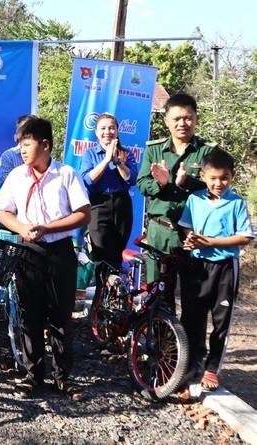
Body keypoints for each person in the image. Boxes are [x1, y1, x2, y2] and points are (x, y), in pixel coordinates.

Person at [0, 117, 91, 400]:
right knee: (29, 314)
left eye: (27, 144)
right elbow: (2, 211)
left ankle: (63, 377)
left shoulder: (66, 174)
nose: (22, 151)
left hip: (60, 251)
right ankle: (32, 375)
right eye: (20, 146)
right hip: (27, 251)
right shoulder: (17, 176)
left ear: (45, 145)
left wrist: (49, 228)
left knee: (61, 315)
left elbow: (83, 213)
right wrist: (22, 228)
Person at [178, 149, 253, 391]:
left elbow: (244, 237)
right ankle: (188, 364)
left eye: (224, 178)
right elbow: (187, 229)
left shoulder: (237, 203)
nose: (218, 183)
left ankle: (212, 368)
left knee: (221, 320)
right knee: (191, 316)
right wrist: (190, 240)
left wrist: (210, 242)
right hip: (198, 266)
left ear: (233, 176)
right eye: (212, 178)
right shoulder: (195, 199)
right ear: (203, 176)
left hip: (225, 269)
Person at [136, 93, 219, 314]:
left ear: (196, 119)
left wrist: (188, 182)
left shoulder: (208, 152)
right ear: (166, 121)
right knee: (159, 295)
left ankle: (193, 348)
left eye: (188, 117)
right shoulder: (154, 149)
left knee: (195, 295)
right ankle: (163, 348)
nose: (182, 123)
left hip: (193, 235)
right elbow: (142, 184)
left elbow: (218, 187)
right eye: (176, 118)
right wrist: (161, 185)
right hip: (159, 232)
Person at [79, 113, 138, 292]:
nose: (108, 132)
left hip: (122, 204)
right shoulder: (90, 154)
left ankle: (114, 302)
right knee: (101, 254)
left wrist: (117, 161)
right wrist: (105, 160)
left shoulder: (125, 153)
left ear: (117, 131)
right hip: (98, 205)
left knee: (117, 255)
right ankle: (99, 304)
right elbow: (87, 181)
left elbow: (132, 179)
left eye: (112, 128)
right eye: (103, 128)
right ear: (96, 132)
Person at [0, 114, 37, 188]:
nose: (29, 134)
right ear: (18, 132)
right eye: (25, 130)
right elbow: (6, 187)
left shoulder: (43, 155)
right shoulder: (8, 156)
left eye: (33, 130)